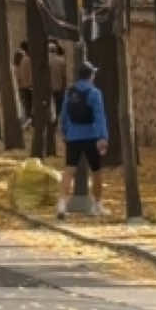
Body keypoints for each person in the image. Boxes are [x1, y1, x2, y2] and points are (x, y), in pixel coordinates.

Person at [56, 60, 109, 217]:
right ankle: (97, 205)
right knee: (97, 171)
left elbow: (64, 115)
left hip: (73, 135)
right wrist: (102, 137)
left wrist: (65, 132)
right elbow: (100, 117)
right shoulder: (94, 93)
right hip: (91, 136)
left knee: (69, 170)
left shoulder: (70, 92)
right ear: (91, 75)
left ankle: (62, 204)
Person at [14, 41, 33, 126]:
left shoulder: (19, 64)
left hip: (22, 87)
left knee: (24, 105)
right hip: (28, 86)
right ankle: (28, 121)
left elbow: (20, 77)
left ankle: (26, 121)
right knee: (28, 105)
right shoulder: (27, 60)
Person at [48, 40, 68, 121]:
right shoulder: (61, 60)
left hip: (49, 87)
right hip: (59, 86)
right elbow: (64, 76)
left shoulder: (46, 61)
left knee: (50, 104)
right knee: (59, 104)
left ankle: (52, 120)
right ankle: (57, 119)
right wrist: (64, 86)